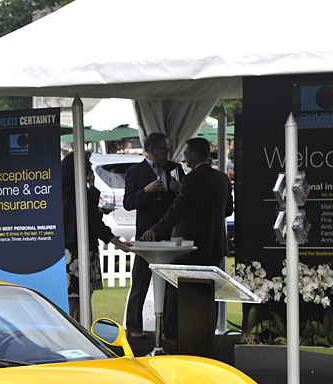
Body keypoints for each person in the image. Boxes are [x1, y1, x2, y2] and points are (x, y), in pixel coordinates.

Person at [142, 137, 233, 346]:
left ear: (193, 155)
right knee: (208, 292)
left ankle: (173, 335)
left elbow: (177, 210)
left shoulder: (191, 180)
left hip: (190, 245)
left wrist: (155, 229)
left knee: (177, 288)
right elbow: (228, 210)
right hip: (216, 244)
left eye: (185, 154)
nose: (184, 158)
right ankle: (205, 333)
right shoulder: (222, 178)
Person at [122, 132, 184, 339]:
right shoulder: (135, 171)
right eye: (165, 148)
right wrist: (146, 191)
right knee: (140, 281)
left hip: (169, 232)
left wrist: (179, 189)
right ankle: (134, 326)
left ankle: (167, 329)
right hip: (145, 234)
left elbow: (183, 201)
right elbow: (128, 203)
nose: (168, 151)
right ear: (152, 151)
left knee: (169, 282)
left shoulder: (175, 168)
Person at [62, 152, 131, 321]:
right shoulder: (85, 194)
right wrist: (118, 243)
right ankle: (85, 339)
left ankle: (71, 337)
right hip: (83, 250)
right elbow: (95, 224)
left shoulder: (59, 193)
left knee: (71, 303)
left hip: (65, 252)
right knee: (84, 302)